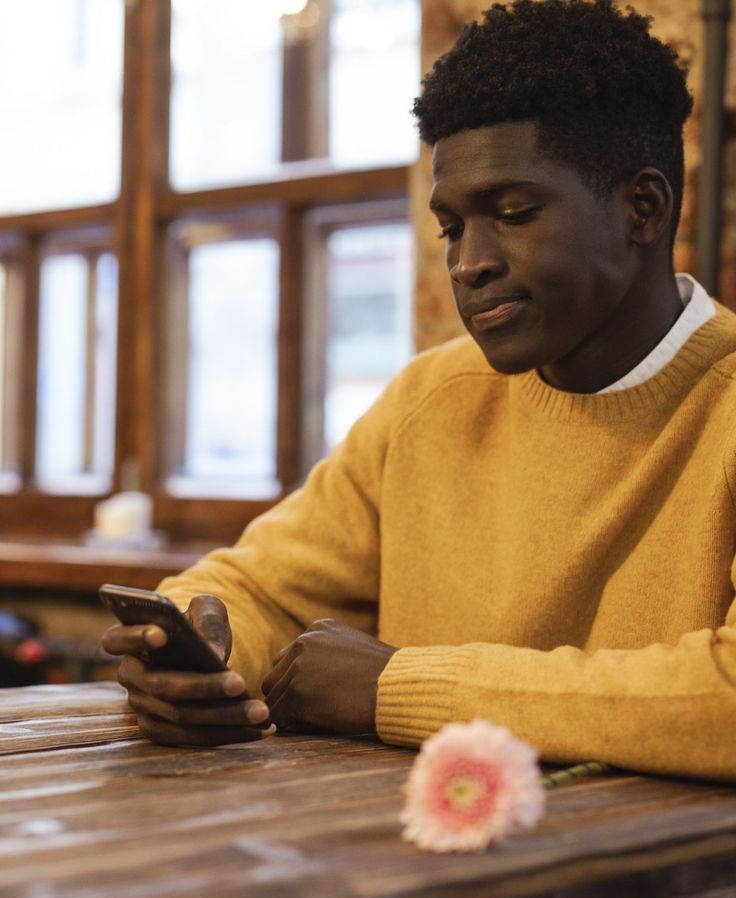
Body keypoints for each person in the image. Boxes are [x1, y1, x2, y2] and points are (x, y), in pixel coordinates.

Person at [103, 0, 736, 781]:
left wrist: (394, 686)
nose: (469, 262)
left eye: (513, 213)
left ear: (643, 208)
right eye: (451, 227)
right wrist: (201, 646)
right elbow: (257, 584)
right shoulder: (432, 398)